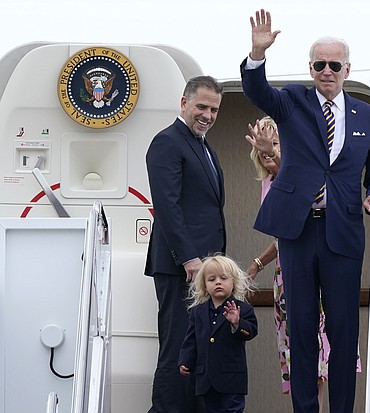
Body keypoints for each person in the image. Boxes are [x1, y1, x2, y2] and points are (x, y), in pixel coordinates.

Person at [241, 9, 370, 413]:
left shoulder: (367, 115)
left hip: (342, 232)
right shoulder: (293, 101)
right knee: (302, 331)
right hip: (298, 232)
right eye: (320, 64)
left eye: (334, 64)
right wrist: (257, 55)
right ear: (311, 68)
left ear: (347, 68)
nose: (327, 71)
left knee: (343, 333)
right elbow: (258, 93)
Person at [144, 75, 226, 413]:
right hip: (183, 268)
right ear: (184, 103)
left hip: (204, 270)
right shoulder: (167, 142)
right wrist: (190, 259)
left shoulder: (204, 146)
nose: (207, 115)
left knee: (196, 351)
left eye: (214, 109)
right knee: (177, 349)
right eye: (201, 107)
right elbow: (167, 205)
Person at [245, 117, 332, 412]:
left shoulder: (306, 174)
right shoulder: (269, 183)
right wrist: (258, 264)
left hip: (314, 273)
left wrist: (281, 162)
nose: (268, 154)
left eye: (275, 146)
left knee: (315, 354)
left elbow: (309, 213)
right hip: (286, 276)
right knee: (295, 354)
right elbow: (284, 234)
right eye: (263, 151)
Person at [178, 255, 258, 413]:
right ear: (204, 285)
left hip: (232, 378)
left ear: (233, 282)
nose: (218, 282)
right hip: (206, 378)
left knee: (232, 410)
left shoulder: (243, 309)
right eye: (212, 279)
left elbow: (251, 332)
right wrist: (185, 360)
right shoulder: (197, 312)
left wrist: (236, 322)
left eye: (223, 278)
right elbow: (191, 340)